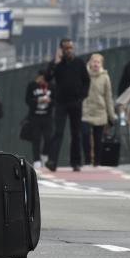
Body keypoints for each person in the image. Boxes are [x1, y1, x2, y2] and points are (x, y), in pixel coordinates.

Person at [46, 39, 90, 172]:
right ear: (61, 50)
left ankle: (76, 162)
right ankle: (52, 161)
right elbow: (48, 78)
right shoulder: (57, 64)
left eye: (71, 47)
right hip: (60, 103)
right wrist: (55, 63)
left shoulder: (79, 63)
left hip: (75, 102)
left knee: (76, 133)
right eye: (66, 48)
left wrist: (82, 97)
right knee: (58, 132)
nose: (69, 50)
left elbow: (86, 81)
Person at [81, 53, 116, 167]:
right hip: (85, 109)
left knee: (98, 138)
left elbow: (108, 96)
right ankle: (87, 159)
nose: (96, 64)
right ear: (90, 62)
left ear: (101, 64)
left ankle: (97, 161)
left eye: (98, 62)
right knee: (85, 135)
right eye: (94, 61)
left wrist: (111, 115)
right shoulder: (84, 74)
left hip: (100, 111)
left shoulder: (105, 77)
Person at [24, 69, 54, 169]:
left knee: (48, 138)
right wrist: (38, 100)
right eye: (42, 78)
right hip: (35, 117)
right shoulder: (32, 85)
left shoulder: (51, 86)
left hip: (47, 117)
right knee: (36, 139)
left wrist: (50, 101)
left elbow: (56, 100)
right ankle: (36, 160)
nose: (43, 81)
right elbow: (27, 100)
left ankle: (45, 155)